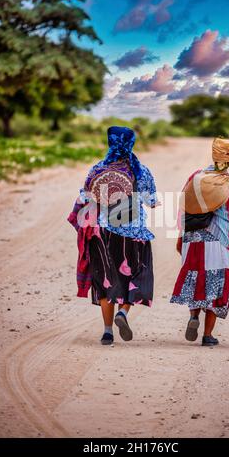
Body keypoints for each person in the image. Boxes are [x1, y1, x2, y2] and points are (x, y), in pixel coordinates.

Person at [68, 126, 158, 345]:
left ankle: (107, 331)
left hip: (102, 232)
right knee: (137, 275)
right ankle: (123, 313)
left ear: (110, 142)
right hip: (133, 231)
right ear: (131, 143)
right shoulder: (141, 171)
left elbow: (85, 197)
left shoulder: (98, 169)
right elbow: (152, 201)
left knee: (105, 280)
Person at [170, 137, 229, 346]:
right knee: (215, 285)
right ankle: (207, 335)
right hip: (220, 241)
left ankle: (194, 315)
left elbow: (183, 208)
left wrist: (180, 238)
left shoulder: (195, 177)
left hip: (192, 238)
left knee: (195, 278)